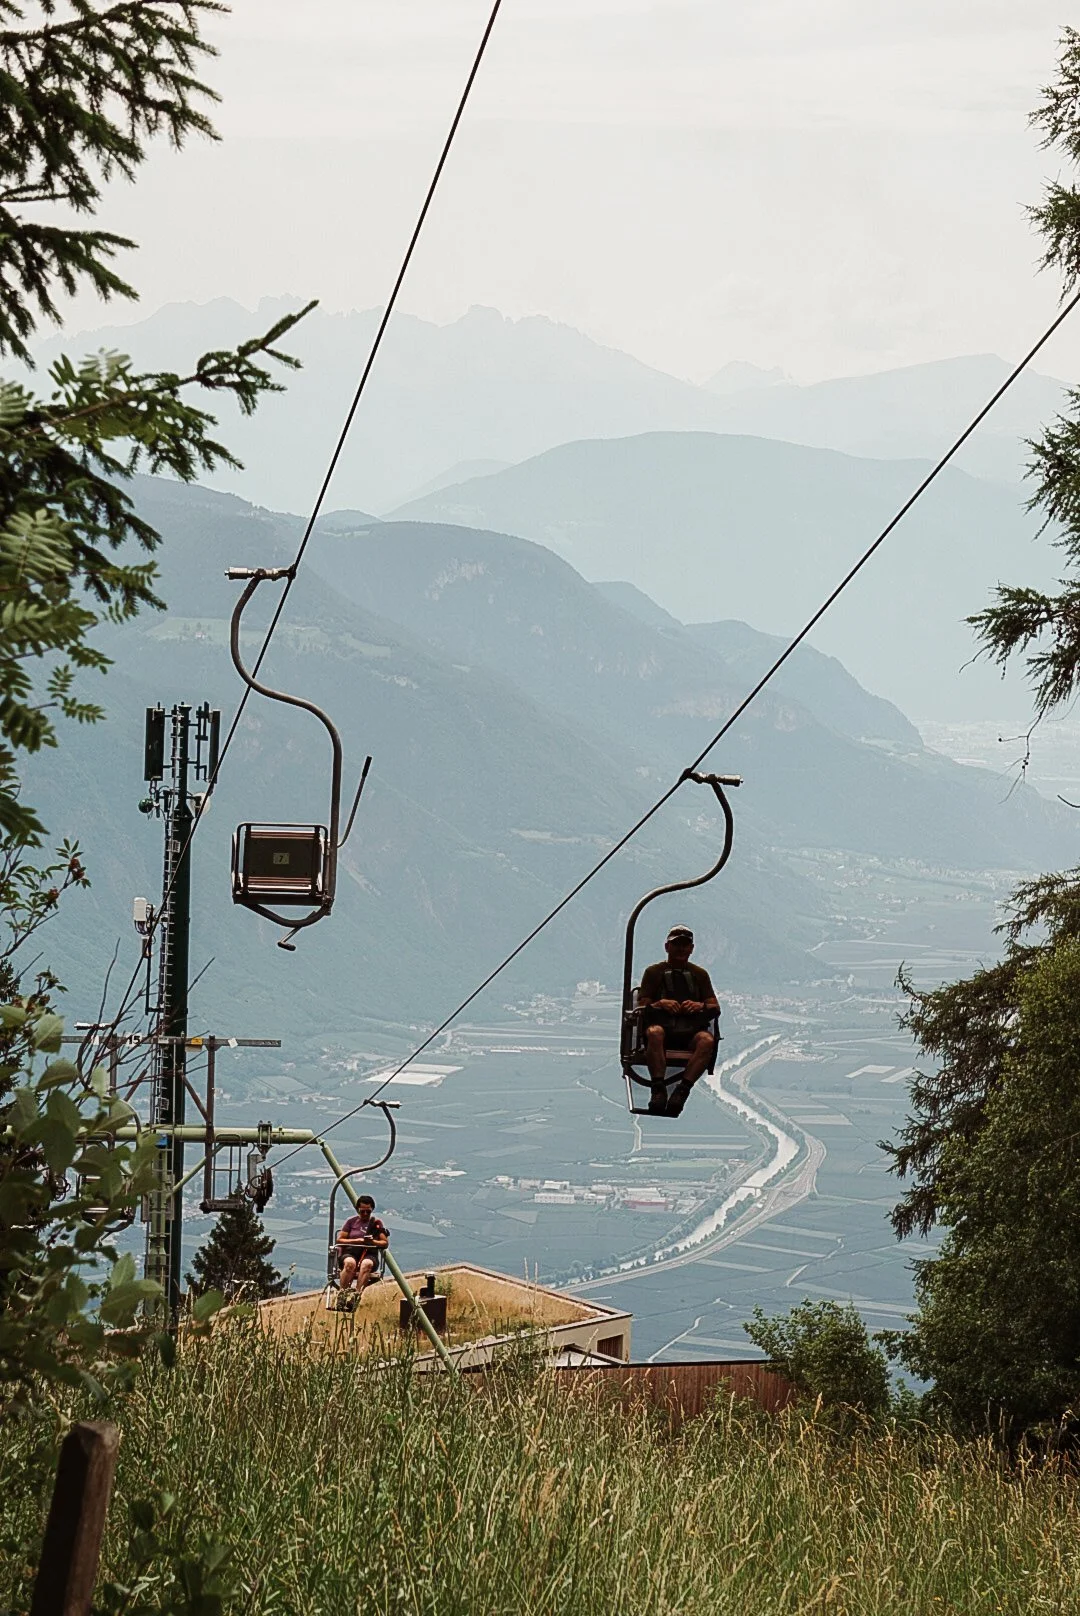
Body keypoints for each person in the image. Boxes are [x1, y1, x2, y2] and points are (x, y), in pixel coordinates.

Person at [637, 924, 719, 1117]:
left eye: (685, 945)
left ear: (691, 948)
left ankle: (682, 1090)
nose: (681, 949)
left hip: (690, 1032)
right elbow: (642, 1006)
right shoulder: (653, 973)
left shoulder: (700, 975)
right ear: (667, 947)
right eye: (676, 945)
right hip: (662, 1030)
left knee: (707, 1040)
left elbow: (714, 1007)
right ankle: (658, 1088)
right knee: (654, 1033)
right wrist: (661, 1004)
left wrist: (700, 1006)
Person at [336, 1193, 389, 1296]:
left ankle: (357, 1294)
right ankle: (342, 1293)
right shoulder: (351, 1222)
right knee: (350, 1263)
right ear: (358, 1210)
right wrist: (357, 1241)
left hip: (369, 1254)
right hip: (351, 1252)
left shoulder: (376, 1224)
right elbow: (340, 1240)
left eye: (368, 1211)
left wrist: (372, 1242)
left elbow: (384, 1243)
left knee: (367, 1265)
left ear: (372, 1210)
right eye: (362, 1211)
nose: (365, 1214)